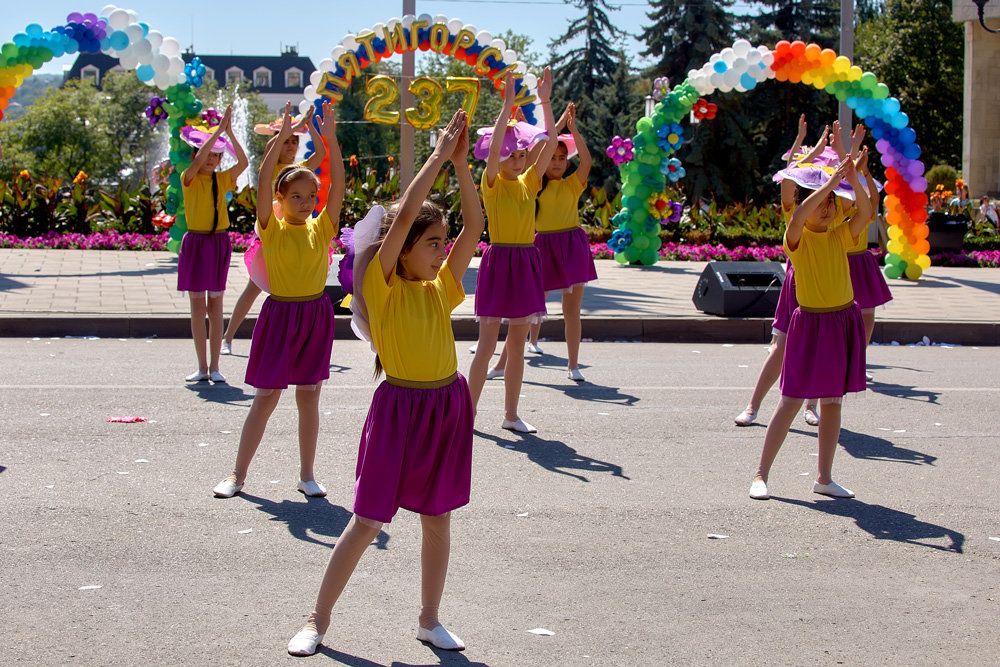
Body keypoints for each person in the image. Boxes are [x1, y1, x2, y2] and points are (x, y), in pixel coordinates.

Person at [286, 110, 482, 657]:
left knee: (437, 517)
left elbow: (475, 226)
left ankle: (429, 619)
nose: (444, 249)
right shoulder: (385, 286)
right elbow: (399, 226)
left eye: (444, 242)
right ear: (405, 247)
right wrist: (438, 158)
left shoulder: (441, 286)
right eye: (433, 242)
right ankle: (317, 619)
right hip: (399, 410)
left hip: (445, 405)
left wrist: (463, 166)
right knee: (367, 519)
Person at [212, 101, 344, 499]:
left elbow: (337, 183)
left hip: (315, 315)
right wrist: (281, 134)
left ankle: (307, 474)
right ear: (281, 200)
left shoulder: (322, 228)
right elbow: (266, 175)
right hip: (280, 316)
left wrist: (332, 140)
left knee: (310, 395)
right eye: (297, 196)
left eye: (310, 196)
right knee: (266, 397)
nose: (306, 202)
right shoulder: (271, 228)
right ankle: (237, 475)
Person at [749, 132, 873, 501]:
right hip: (810, 323)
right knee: (789, 400)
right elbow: (800, 214)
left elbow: (866, 212)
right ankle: (760, 474)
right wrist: (829, 184)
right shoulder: (797, 238)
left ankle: (824, 477)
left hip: (841, 321)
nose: (828, 208)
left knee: (833, 401)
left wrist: (851, 181)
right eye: (823, 203)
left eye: (833, 204)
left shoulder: (840, 235)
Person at [467, 69, 557, 434]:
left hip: (525, 262)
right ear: (496, 156)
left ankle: (511, 414)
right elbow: (495, 157)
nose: (518, 161)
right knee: (486, 344)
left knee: (517, 346)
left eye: (521, 155)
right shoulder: (492, 183)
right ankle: (467, 413)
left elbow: (548, 143)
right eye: (511, 155)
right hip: (499, 260)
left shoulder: (529, 182)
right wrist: (507, 106)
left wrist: (545, 102)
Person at [487, 102, 596, 382]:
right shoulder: (532, 183)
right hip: (541, 247)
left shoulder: (572, 184)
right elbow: (538, 148)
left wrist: (573, 130)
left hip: (571, 247)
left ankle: (573, 364)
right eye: (552, 158)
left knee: (571, 312)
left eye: (562, 158)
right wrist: (545, 129)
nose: (556, 162)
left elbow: (585, 161)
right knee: (526, 310)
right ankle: (504, 363)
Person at [734, 115, 824, 427]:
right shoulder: (794, 211)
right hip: (797, 285)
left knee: (817, 347)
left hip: (823, 285)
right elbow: (788, 177)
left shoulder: (831, 215)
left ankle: (811, 405)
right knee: (781, 349)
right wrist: (807, 147)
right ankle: (753, 405)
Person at [221, 113, 327, 355]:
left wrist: (310, 127)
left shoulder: (299, 171)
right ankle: (227, 337)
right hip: (274, 237)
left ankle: (293, 344)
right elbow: (272, 146)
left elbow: (320, 155)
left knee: (295, 293)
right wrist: (292, 128)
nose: (289, 145)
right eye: (286, 141)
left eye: (294, 142)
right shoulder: (274, 167)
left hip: (298, 239)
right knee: (254, 288)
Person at [178, 106, 248, 383]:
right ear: (196, 154)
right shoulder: (190, 178)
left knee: (215, 304)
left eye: (217, 155)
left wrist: (228, 135)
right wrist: (216, 132)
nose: (212, 159)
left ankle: (216, 365)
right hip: (195, 243)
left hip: (218, 242)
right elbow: (195, 167)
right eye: (207, 153)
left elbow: (242, 163)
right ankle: (201, 366)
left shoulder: (222, 179)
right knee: (197, 305)